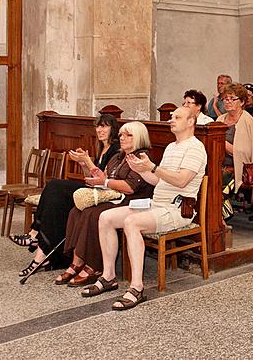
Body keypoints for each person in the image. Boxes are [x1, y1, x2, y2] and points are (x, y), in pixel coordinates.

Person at [82, 106, 207, 310]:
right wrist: (141, 169)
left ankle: (137, 287)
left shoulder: (195, 148)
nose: (171, 120)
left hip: (178, 209)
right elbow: (158, 181)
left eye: (177, 117)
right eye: (171, 117)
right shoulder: (172, 147)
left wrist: (152, 167)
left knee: (132, 223)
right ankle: (108, 276)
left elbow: (182, 181)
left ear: (191, 121)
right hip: (157, 205)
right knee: (105, 217)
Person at [12, 114, 120, 276]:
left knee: (55, 186)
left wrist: (87, 161)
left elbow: (104, 180)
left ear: (113, 129)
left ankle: (35, 234)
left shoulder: (115, 149)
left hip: (104, 193)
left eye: (104, 126)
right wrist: (83, 164)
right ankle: (38, 239)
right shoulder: (102, 148)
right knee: (54, 195)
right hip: (93, 188)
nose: (100, 130)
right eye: (98, 126)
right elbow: (90, 177)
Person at [57, 121, 155, 286]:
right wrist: (85, 165)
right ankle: (78, 260)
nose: (122, 138)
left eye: (128, 135)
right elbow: (103, 177)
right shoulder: (118, 156)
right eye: (121, 135)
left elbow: (130, 187)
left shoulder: (142, 157)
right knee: (77, 210)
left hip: (133, 200)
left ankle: (94, 265)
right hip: (114, 196)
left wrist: (105, 182)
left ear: (139, 137)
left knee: (93, 213)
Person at [217, 83, 253, 210]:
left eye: (232, 98)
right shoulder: (220, 119)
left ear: (241, 102)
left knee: (217, 182)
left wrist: (221, 143)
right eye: (225, 98)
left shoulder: (246, 120)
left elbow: (244, 153)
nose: (228, 101)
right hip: (219, 163)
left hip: (238, 167)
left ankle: (221, 219)